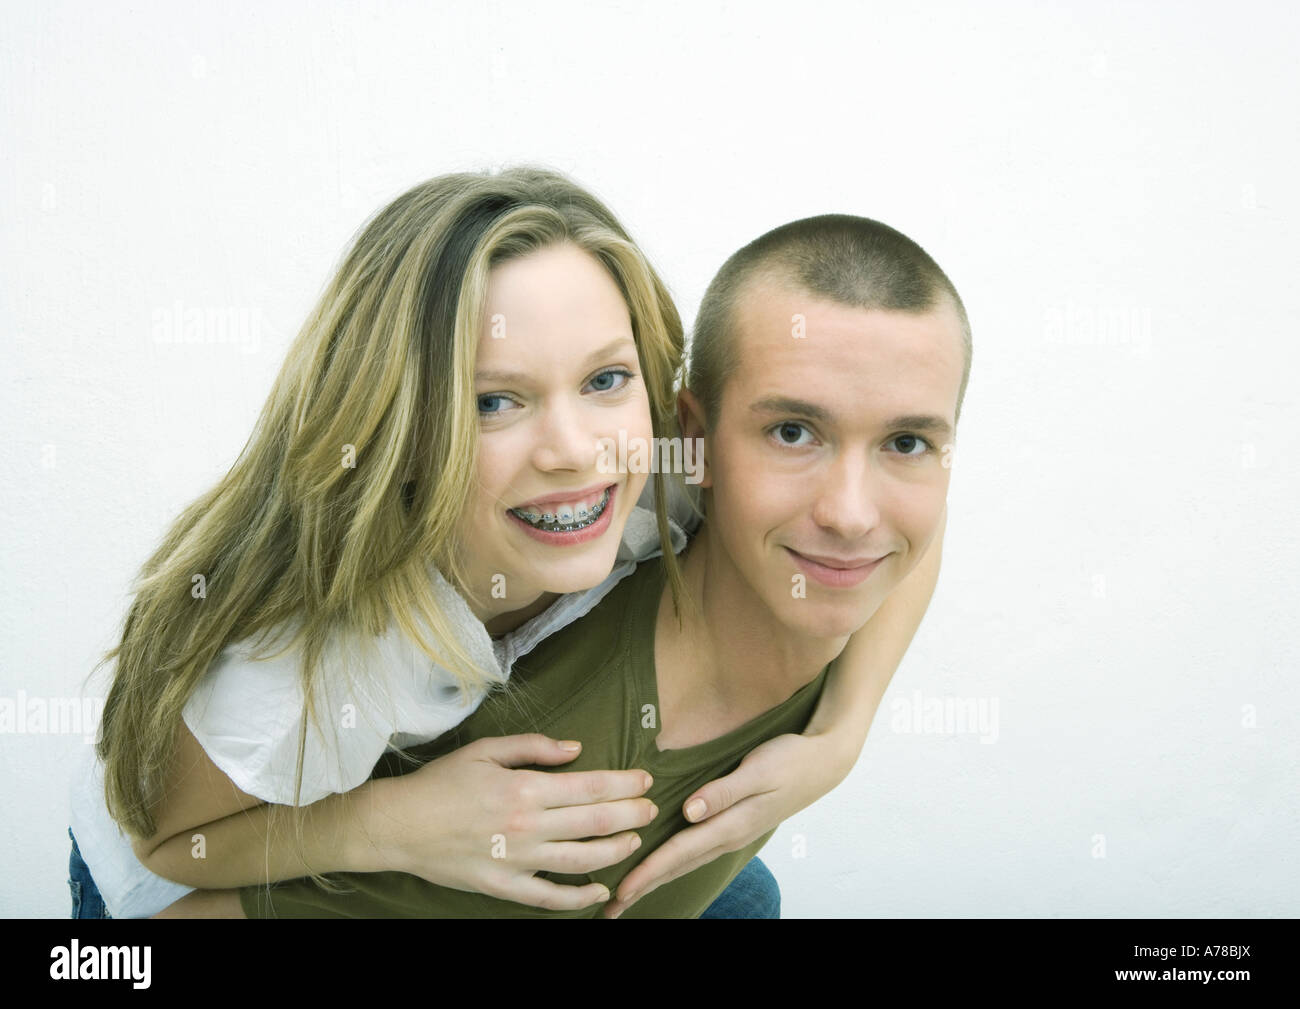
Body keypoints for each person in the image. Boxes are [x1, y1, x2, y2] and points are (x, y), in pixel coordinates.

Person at [71, 173, 943, 919]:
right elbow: (172, 844)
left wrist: (841, 737)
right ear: (404, 430)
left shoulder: (656, 464)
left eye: (605, 378)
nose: (573, 447)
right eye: (496, 401)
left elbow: (882, 522)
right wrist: (399, 822)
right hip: (217, 846)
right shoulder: (318, 649)